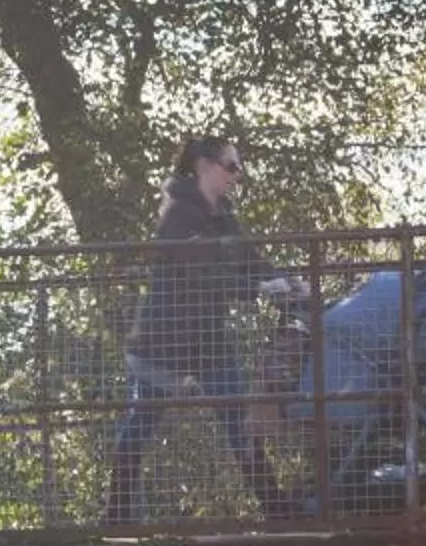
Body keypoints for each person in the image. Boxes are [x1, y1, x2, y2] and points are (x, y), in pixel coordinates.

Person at [106, 133, 297, 524]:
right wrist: (256, 288)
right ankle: (117, 516)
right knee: (140, 427)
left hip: (210, 343)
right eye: (231, 166)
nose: (237, 175)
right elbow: (203, 274)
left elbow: (250, 260)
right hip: (166, 344)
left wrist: (289, 282)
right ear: (204, 167)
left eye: (239, 168)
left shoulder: (224, 215)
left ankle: (276, 510)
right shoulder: (177, 214)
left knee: (238, 423)